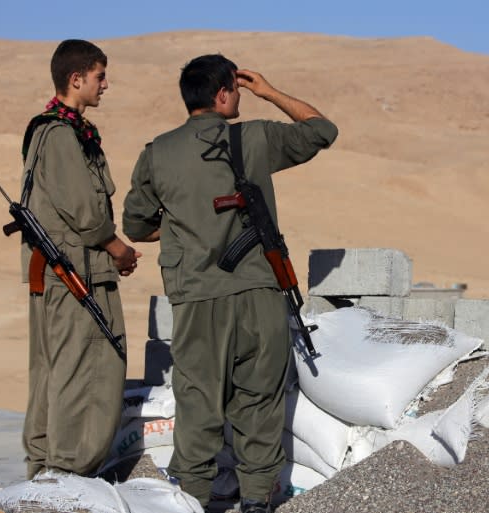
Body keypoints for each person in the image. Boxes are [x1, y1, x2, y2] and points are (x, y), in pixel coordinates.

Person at [122, 54, 338, 512]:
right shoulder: (254, 137)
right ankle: (257, 499)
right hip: (259, 294)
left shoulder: (157, 152)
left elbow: (137, 226)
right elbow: (322, 130)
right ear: (224, 93)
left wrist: (184, 222)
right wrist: (270, 91)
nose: (241, 95)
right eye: (237, 89)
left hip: (198, 298)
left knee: (199, 402)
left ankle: (192, 500)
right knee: (259, 400)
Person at [20, 39, 140, 479]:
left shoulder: (63, 131)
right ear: (77, 79)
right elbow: (85, 211)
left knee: (59, 368)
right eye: (99, 76)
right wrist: (119, 250)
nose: (105, 85)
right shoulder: (60, 134)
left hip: (70, 271)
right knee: (87, 367)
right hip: (75, 274)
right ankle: (65, 470)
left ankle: (50, 471)